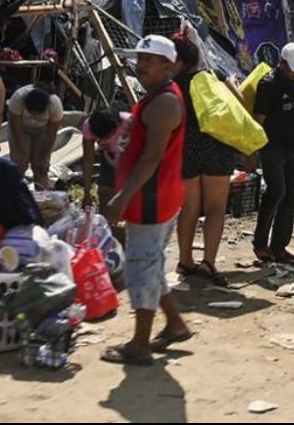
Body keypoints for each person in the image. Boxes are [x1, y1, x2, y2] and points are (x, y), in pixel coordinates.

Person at [102, 34, 190, 366]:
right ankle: (176, 323)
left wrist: (123, 197)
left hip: (151, 198)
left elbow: (152, 157)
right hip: (156, 196)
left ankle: (140, 344)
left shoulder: (165, 102)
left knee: (141, 268)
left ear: (168, 66)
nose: (140, 66)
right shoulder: (157, 97)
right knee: (150, 263)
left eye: (148, 60)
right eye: (139, 59)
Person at [171, 33, 239, 285]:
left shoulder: (170, 85)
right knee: (215, 208)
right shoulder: (212, 78)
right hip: (215, 146)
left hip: (185, 147)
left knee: (188, 208)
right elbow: (238, 107)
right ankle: (209, 262)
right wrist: (233, 84)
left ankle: (185, 260)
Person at [252, 42, 294, 269]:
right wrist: (252, 151)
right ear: (281, 63)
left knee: (290, 195)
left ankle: (279, 246)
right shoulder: (269, 84)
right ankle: (260, 243)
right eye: (292, 68)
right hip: (272, 147)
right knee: (276, 191)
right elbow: (259, 119)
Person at [7, 84, 64, 188]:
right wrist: (22, 153)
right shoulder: (18, 98)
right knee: (19, 165)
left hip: (43, 131)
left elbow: (51, 134)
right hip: (21, 129)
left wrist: (44, 157)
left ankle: (43, 199)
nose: (35, 117)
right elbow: (16, 128)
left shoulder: (55, 104)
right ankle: (14, 197)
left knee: (40, 168)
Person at [81, 107, 134, 212]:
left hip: (132, 161)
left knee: (131, 202)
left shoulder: (131, 123)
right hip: (110, 159)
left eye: (105, 138)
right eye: (97, 139)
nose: (100, 142)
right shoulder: (89, 127)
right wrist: (86, 193)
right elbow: (88, 160)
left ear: (116, 128)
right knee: (104, 193)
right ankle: (106, 224)